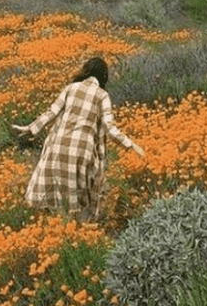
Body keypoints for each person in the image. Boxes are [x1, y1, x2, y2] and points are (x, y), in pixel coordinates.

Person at [11, 56, 145, 222]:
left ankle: (55, 228)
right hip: (82, 152)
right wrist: (131, 146)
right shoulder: (102, 96)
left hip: (57, 147)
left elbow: (51, 113)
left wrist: (31, 129)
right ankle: (78, 231)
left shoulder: (71, 88)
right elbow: (110, 129)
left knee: (54, 191)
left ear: (86, 70)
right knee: (80, 197)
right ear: (104, 76)